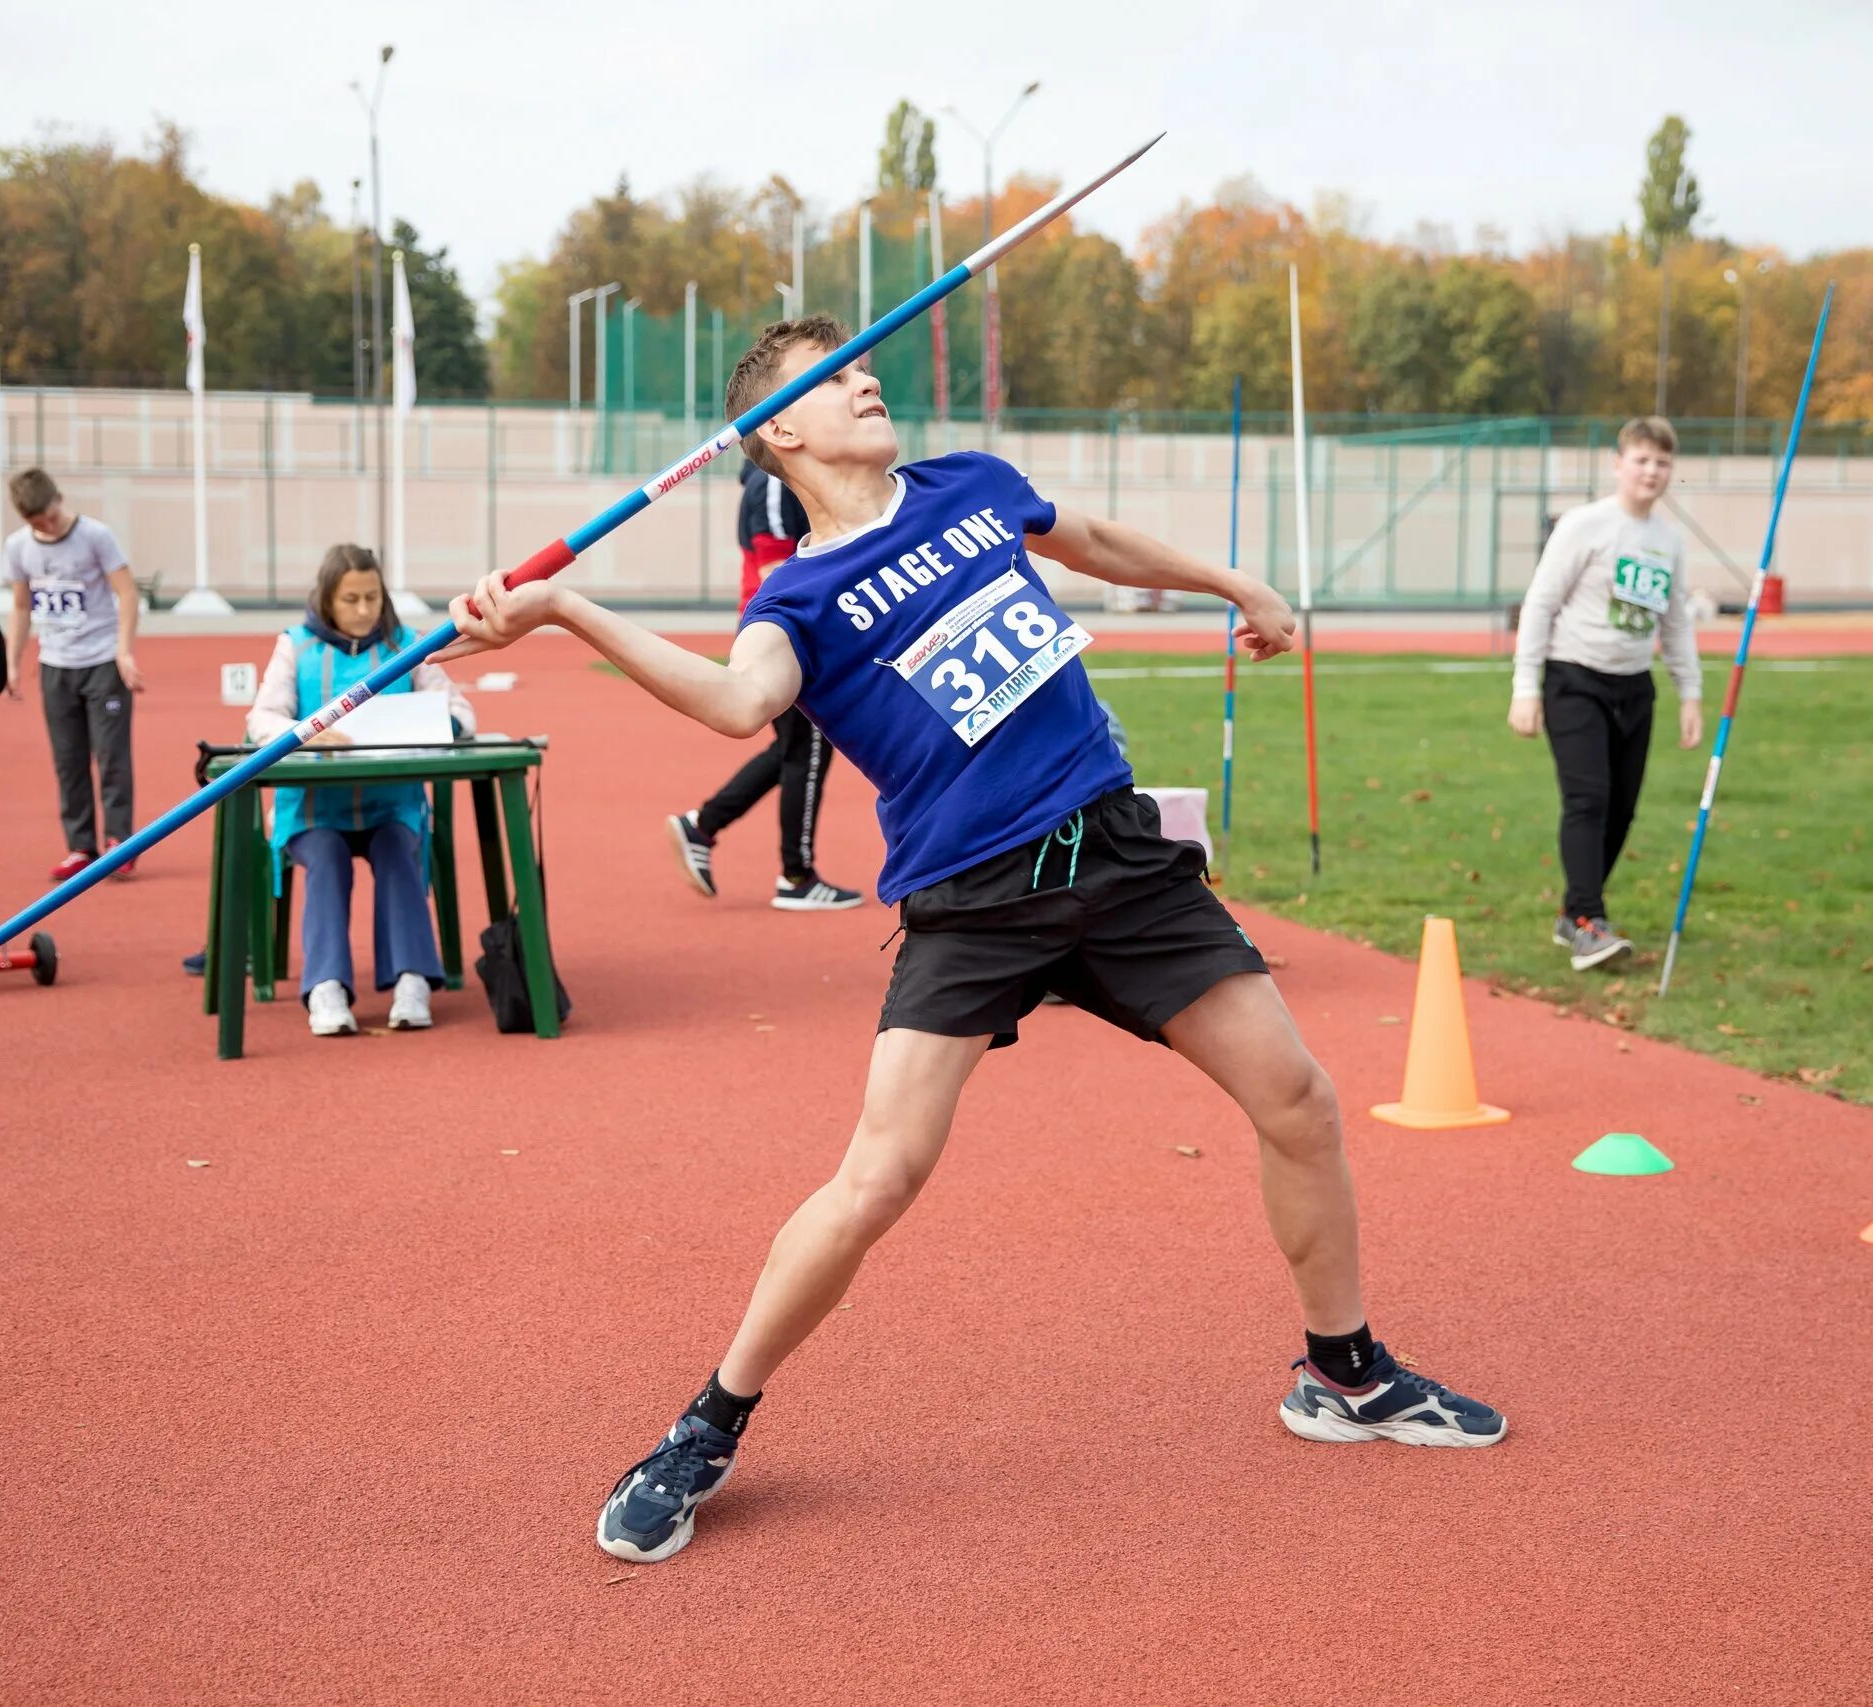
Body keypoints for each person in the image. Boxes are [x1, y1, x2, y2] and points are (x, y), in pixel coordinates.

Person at [443, 315, 1508, 1567]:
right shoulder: (798, 592)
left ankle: (1344, 1374)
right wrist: (567, 608)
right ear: (776, 431)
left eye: (865, 365)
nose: (866, 381)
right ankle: (706, 1426)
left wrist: (1233, 582)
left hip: (1112, 853)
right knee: (878, 1177)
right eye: (832, 381)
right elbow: (741, 704)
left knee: (1300, 1099)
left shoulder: (971, 485)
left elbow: (1092, 540)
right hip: (970, 898)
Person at [248, 544, 474, 1037]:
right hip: (312, 814)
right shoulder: (294, 646)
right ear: (327, 599)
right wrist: (304, 732)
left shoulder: (410, 645)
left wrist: (434, 725)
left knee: (397, 850)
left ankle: (412, 981)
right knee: (326, 858)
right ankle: (326, 988)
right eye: (350, 599)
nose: (364, 610)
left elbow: (460, 713)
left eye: (372, 597)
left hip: (391, 808)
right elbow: (261, 718)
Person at [1507, 416, 1703, 971]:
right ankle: (1590, 922)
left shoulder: (1668, 541)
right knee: (1588, 799)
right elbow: (1540, 603)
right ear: (1618, 465)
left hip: (1634, 687)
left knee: (1621, 809)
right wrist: (1527, 688)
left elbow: (1676, 623)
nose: (1652, 471)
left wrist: (1690, 693)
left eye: (1662, 463)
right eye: (1641, 460)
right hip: (1575, 677)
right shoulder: (1585, 525)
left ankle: (1575, 913)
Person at [664, 463, 864, 911]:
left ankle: (703, 825)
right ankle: (797, 875)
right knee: (809, 749)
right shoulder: (772, 482)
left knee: (793, 750)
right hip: (784, 635)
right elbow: (775, 567)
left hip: (787, 632)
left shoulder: (785, 478)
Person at [2, 468, 143, 879]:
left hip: (101, 661)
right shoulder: (18, 547)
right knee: (68, 760)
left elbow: (128, 592)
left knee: (111, 756)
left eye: (49, 516)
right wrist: (13, 660)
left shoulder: (95, 536)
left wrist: (124, 652)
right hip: (55, 665)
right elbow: (21, 606)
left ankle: (121, 842)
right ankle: (81, 846)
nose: (45, 526)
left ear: (59, 500)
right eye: (35, 522)